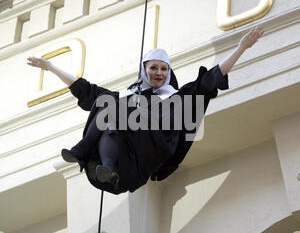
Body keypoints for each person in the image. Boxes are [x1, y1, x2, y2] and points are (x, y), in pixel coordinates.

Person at [27, 25, 264, 194]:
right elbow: (86, 90)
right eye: (153, 67)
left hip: (155, 145)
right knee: (107, 108)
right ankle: (106, 169)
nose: (159, 73)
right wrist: (51, 67)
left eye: (163, 68)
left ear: (169, 72)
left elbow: (209, 80)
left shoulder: (176, 98)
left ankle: (81, 150)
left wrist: (241, 48)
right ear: (144, 70)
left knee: (113, 105)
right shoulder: (128, 97)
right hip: (129, 157)